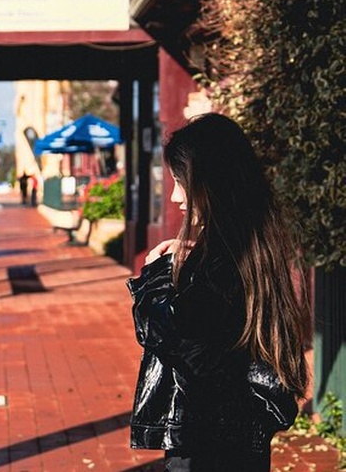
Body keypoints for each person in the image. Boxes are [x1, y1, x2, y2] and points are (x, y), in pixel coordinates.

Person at [127, 113, 309, 470]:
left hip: (205, 439)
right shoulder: (253, 246)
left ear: (210, 183)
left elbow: (170, 336)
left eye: (181, 182)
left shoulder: (221, 259)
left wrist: (157, 276)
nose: (177, 197)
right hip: (236, 436)